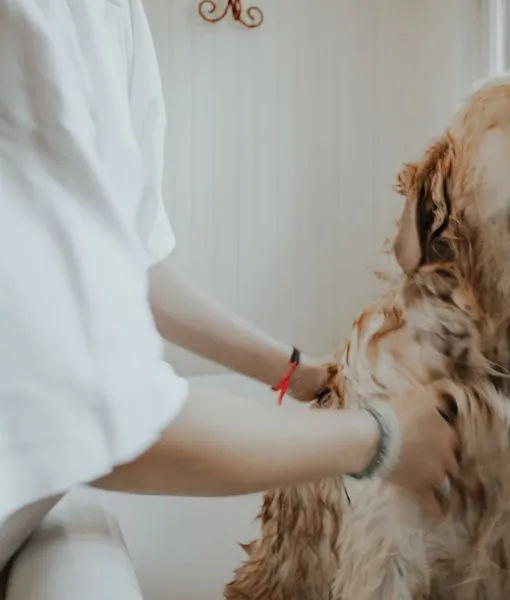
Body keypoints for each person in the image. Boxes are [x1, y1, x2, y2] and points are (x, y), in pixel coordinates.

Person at [0, 0, 459, 582]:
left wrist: (295, 373)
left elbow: (130, 267)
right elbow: (103, 415)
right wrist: (384, 440)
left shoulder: (114, 17)